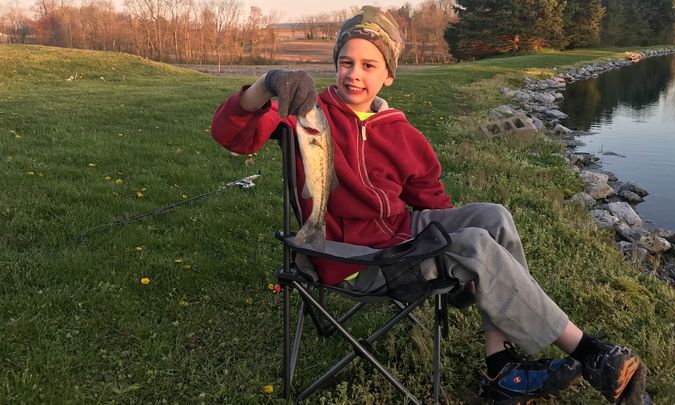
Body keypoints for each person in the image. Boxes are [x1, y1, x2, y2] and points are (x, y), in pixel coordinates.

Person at [210, 6, 641, 404]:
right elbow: (232, 134)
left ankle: (500, 364)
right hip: (349, 255)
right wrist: (269, 84)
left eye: (368, 65)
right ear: (335, 64)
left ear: (388, 76)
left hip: (400, 237)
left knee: (494, 218)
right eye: (346, 62)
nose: (353, 75)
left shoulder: (401, 132)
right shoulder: (308, 111)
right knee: (471, 245)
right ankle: (589, 353)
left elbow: (433, 201)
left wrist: (462, 268)